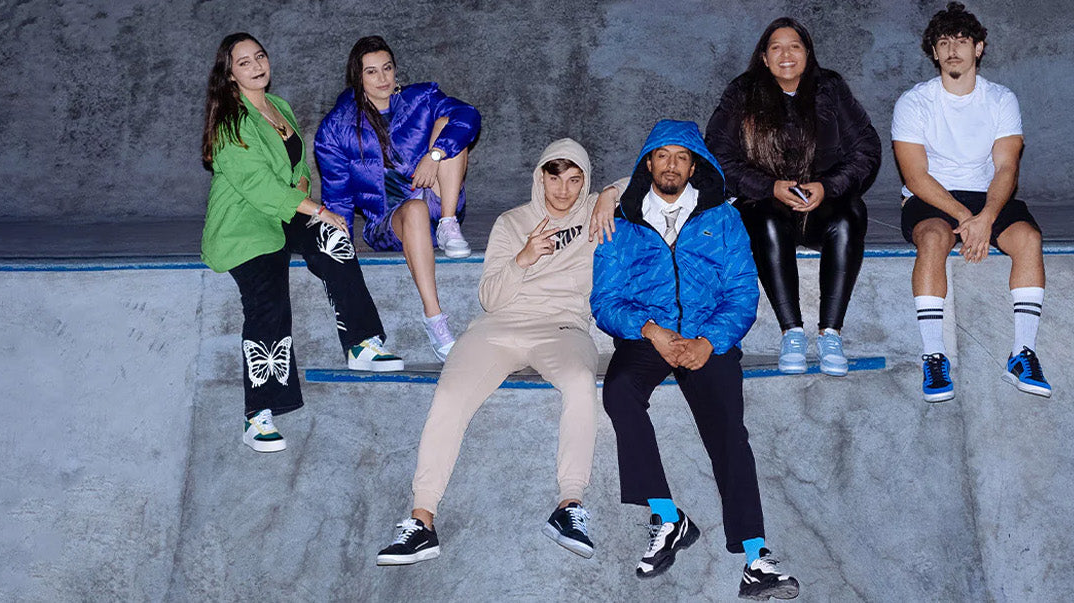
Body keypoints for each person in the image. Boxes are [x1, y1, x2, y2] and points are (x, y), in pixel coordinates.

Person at [592, 120, 799, 600]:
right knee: (619, 390)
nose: (671, 165)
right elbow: (604, 300)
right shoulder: (620, 222)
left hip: (707, 336)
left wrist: (710, 340)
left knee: (729, 430)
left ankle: (756, 557)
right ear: (648, 163)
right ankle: (667, 516)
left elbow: (743, 291)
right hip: (649, 335)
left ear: (695, 167)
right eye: (662, 156)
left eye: (681, 157)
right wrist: (649, 330)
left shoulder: (723, 219)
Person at [375, 139, 601, 566]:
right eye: (555, 177)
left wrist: (607, 196)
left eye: (575, 180)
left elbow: (648, 181)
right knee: (448, 397)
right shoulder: (512, 222)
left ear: (586, 182)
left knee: (579, 384)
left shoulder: (594, 212)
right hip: (499, 327)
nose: (564, 190)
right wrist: (523, 258)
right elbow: (490, 297)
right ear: (541, 177)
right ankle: (421, 521)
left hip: (563, 327)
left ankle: (570, 506)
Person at [200, 33, 403, 453]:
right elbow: (258, 187)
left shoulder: (280, 108)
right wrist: (317, 207)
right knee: (268, 303)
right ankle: (257, 415)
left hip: (284, 209)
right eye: (244, 62)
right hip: (246, 223)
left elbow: (297, 171)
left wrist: (309, 199)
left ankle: (361, 344)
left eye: (260, 56)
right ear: (230, 74)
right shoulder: (230, 122)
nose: (257, 65)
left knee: (331, 238)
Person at [891, 2, 1051, 402]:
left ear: (978, 48)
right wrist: (967, 219)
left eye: (961, 41)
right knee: (932, 239)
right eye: (943, 43)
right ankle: (934, 355)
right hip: (932, 196)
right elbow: (915, 176)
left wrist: (986, 216)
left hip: (987, 195)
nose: (952, 50)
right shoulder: (914, 102)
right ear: (933, 52)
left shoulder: (1000, 99)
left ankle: (1022, 353)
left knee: (1029, 239)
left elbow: (1006, 168)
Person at [704, 17, 880, 377]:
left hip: (821, 204)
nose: (786, 54)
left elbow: (866, 148)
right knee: (766, 221)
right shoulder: (742, 92)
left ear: (808, 53)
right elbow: (717, 156)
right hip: (765, 201)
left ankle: (830, 333)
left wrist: (827, 187)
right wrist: (769, 187)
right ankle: (792, 332)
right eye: (776, 47)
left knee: (849, 216)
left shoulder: (829, 88)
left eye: (795, 46)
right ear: (764, 58)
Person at [315, 35, 481, 362]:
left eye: (387, 68)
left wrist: (434, 155)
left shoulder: (421, 98)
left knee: (451, 125)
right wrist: (341, 245)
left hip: (435, 197)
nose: (383, 79)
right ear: (357, 78)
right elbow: (337, 194)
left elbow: (469, 116)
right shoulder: (337, 127)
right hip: (388, 222)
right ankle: (435, 320)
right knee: (414, 209)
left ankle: (448, 224)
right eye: (372, 72)